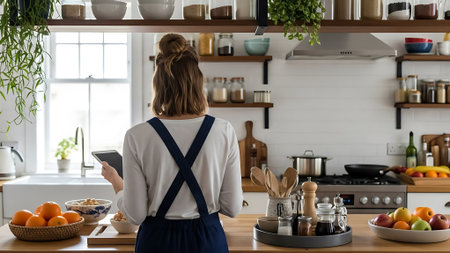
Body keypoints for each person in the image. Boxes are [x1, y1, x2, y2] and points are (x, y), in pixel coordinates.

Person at [101, 33, 243, 253]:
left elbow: (136, 215)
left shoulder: (137, 136)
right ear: (198, 82)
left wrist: (116, 183)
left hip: (157, 243)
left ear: (158, 84)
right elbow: (232, 208)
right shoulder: (223, 131)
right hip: (208, 241)